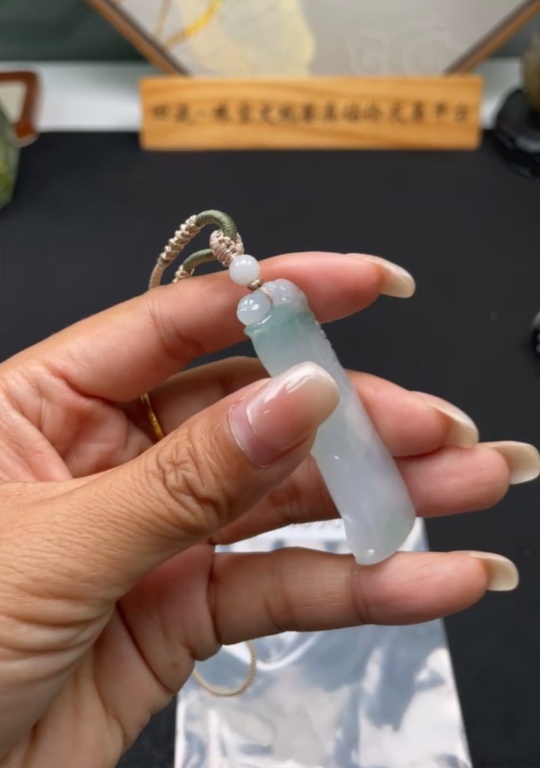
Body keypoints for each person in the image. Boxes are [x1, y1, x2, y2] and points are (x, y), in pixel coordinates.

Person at [0, 251, 535, 767]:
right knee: (345, 440)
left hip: (365, 502)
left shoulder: (276, 307)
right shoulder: (270, 312)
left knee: (350, 438)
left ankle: (376, 519)